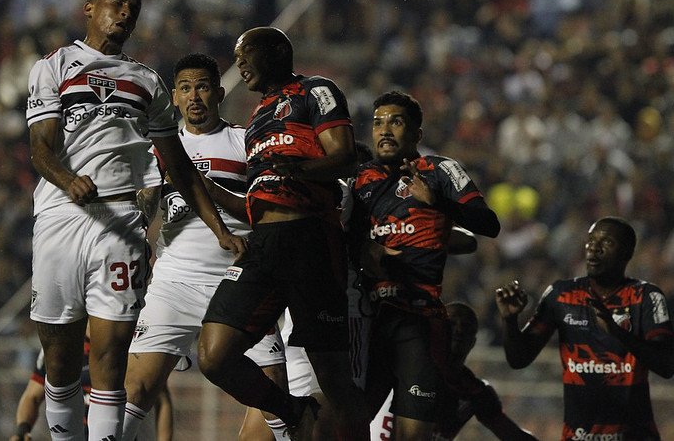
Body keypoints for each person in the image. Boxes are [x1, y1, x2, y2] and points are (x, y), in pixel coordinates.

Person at [25, 0, 246, 441]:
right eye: (116, 3)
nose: (126, 13)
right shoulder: (54, 67)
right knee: (61, 362)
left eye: (133, 9)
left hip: (121, 224)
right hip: (60, 218)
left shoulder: (148, 82)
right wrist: (68, 179)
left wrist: (221, 230)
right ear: (89, 8)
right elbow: (40, 150)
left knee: (109, 359)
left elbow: (181, 170)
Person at [197, 26, 371, 440]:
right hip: (264, 245)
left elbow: (345, 158)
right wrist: (205, 187)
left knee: (333, 376)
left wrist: (302, 170)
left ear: (277, 52)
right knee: (213, 356)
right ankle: (295, 412)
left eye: (246, 53)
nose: (238, 62)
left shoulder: (315, 91)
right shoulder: (256, 119)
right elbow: (258, 200)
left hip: (312, 241)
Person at [122, 53, 289, 441]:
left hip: (240, 278)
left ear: (219, 92)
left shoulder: (247, 143)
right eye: (184, 88)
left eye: (201, 87)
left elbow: (270, 212)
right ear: (174, 99)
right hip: (174, 281)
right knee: (136, 388)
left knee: (272, 389)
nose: (193, 96)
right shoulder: (158, 150)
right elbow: (142, 210)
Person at [349, 90, 501, 441]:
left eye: (396, 122)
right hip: (368, 321)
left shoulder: (439, 171)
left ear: (417, 134)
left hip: (419, 325)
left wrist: (439, 203)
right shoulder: (361, 181)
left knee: (414, 435)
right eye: (378, 122)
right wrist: (367, 249)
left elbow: (488, 224)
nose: (385, 130)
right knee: (346, 426)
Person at [495, 216, 674, 440]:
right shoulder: (561, 295)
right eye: (590, 241)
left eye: (607, 243)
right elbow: (518, 359)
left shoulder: (646, 297)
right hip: (578, 436)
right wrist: (510, 321)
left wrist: (619, 333)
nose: (594, 249)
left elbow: (666, 365)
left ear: (627, 253)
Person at [368, 302, 538, 440]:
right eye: (451, 324)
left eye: (467, 326)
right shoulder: (399, 369)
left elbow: (513, 435)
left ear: (473, 341)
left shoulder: (475, 392)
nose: (459, 330)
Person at [9, 331, 172, 441]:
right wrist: (22, 429)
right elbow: (31, 396)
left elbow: (162, 400)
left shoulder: (131, 341)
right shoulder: (62, 344)